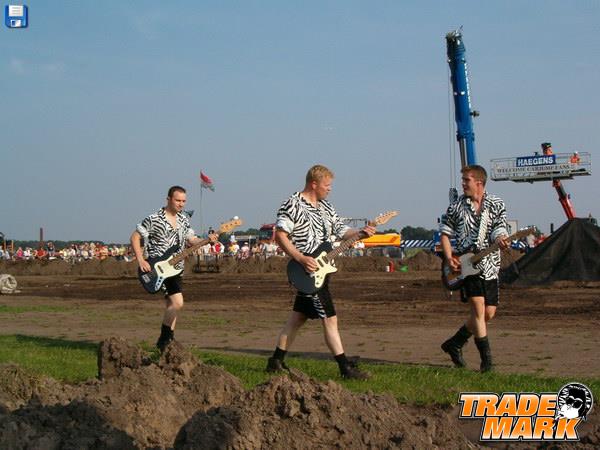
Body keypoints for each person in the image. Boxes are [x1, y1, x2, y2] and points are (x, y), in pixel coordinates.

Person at [266, 164, 375, 380]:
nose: (330, 189)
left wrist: (362, 232)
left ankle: (275, 361)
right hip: (307, 272)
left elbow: (342, 230)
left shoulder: (326, 207)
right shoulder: (292, 204)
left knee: (297, 319)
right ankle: (345, 368)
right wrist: (300, 258)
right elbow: (281, 235)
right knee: (330, 319)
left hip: (322, 272)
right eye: (327, 185)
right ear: (314, 184)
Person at [439, 165, 510, 373]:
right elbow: (445, 234)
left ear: (479, 182)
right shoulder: (456, 207)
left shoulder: (497, 203)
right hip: (467, 265)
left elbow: (499, 227)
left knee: (488, 313)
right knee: (478, 309)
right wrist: (449, 257)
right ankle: (487, 362)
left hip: (490, 265)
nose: (463, 184)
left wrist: (501, 238)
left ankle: (455, 343)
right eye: (463, 180)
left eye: (466, 180)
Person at [130, 185, 203, 351]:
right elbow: (134, 237)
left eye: (184, 201)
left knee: (172, 304)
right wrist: (140, 260)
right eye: (178, 200)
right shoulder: (154, 218)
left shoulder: (184, 219)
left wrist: (207, 240)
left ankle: (169, 341)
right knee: (178, 302)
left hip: (176, 268)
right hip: (158, 268)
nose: (181, 204)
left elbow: (191, 239)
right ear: (168, 199)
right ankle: (164, 339)